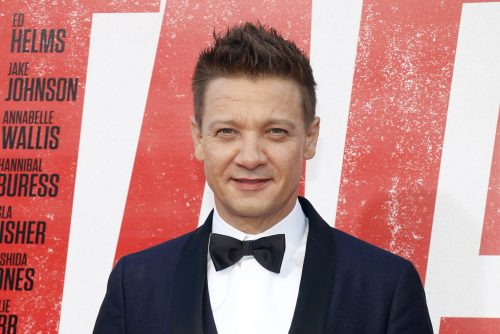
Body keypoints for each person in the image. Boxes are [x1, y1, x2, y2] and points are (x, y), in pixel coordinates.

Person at [93, 22, 433, 334]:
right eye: (227, 131)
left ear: (310, 138)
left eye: (275, 131)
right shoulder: (135, 284)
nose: (251, 157)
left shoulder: (385, 286)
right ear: (199, 139)